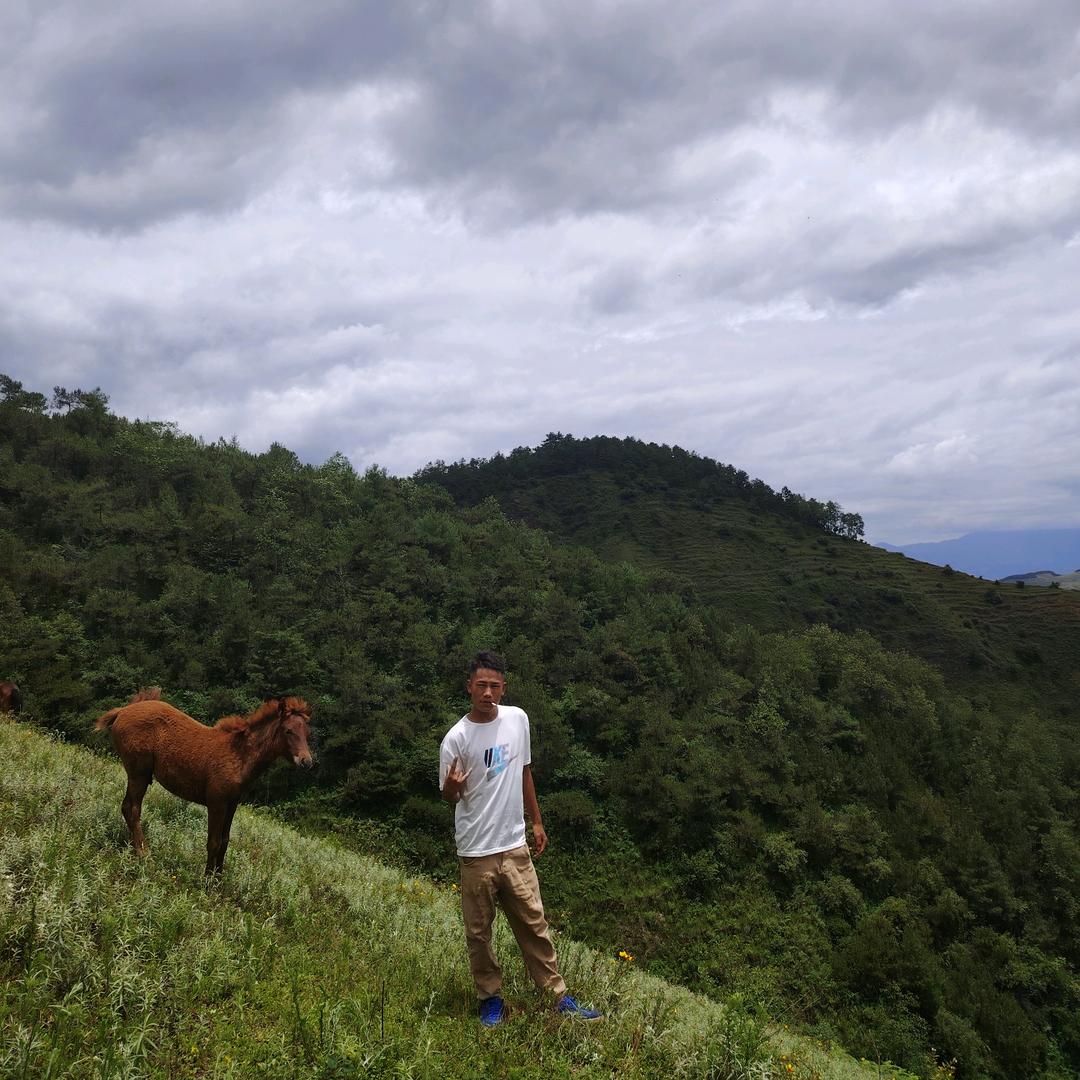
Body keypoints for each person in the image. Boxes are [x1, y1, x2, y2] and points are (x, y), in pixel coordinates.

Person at [439, 650, 601, 1027]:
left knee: (534, 923)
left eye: (495, 686)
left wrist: (537, 821)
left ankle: (558, 997)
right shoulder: (456, 739)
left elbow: (524, 770)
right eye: (481, 685)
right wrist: (450, 788)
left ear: (504, 687)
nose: (488, 693)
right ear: (469, 687)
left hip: (514, 847)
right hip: (477, 851)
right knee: (479, 933)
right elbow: (450, 797)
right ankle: (490, 999)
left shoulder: (517, 720)